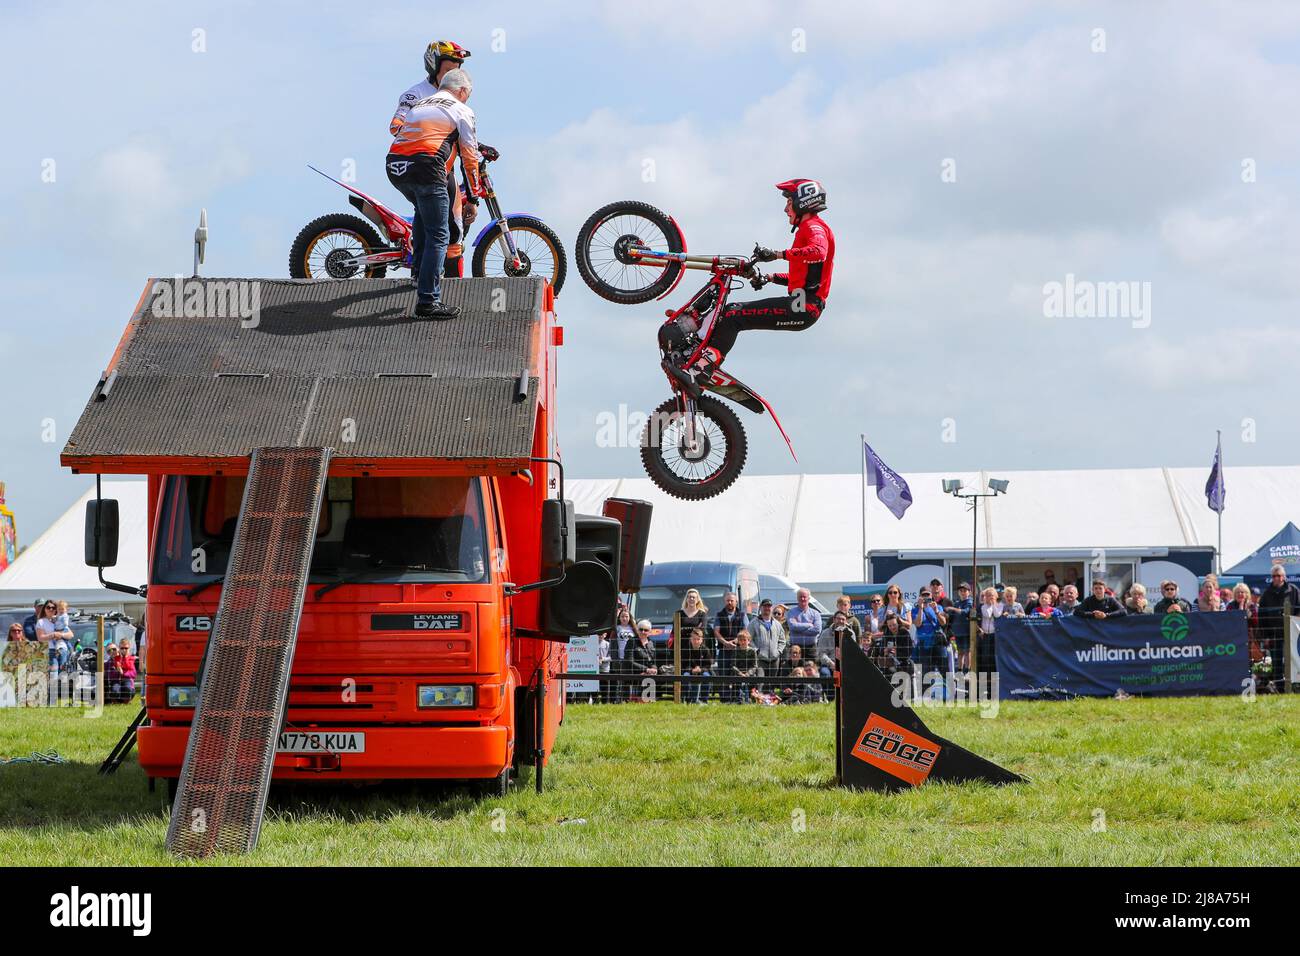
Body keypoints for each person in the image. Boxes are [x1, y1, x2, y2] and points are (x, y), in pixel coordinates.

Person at [687, 179, 834, 385]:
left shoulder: (813, 227)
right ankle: (703, 358)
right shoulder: (810, 228)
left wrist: (777, 254)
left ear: (803, 202)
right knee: (730, 313)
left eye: (789, 202)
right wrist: (770, 278)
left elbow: (818, 252)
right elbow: (804, 277)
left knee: (733, 315)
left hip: (803, 305)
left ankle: (703, 368)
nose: (785, 209)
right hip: (803, 302)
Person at [386, 68, 483, 319]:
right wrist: (473, 197)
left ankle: (419, 274)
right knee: (439, 234)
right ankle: (428, 302)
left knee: (422, 210)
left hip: (395, 167)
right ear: (461, 91)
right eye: (468, 95)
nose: (467, 99)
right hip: (426, 168)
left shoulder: (419, 105)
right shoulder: (463, 110)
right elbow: (470, 158)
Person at [1256, 565, 1298, 689]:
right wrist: (1265, 637)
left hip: (1292, 634)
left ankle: (1294, 686)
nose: (1276, 578)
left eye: (1278, 575)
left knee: (1293, 661)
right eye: (1274, 576)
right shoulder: (1266, 594)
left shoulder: (1294, 590)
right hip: (1274, 635)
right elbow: (1261, 617)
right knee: (1277, 663)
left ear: (1284, 577)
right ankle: (1279, 688)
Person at [713, 591, 748, 703]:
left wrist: (734, 641)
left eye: (731, 600)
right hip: (723, 650)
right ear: (724, 601)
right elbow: (716, 631)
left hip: (738, 650)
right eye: (727, 600)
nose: (729, 602)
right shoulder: (719, 614)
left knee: (738, 674)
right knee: (723, 674)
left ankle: (737, 698)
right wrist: (725, 643)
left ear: (736, 601)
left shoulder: (742, 615)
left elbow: (745, 631)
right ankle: (725, 699)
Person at [910, 587, 949, 680]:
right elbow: (918, 624)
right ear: (920, 596)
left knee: (944, 670)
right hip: (924, 644)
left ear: (931, 595)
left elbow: (943, 623)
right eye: (924, 595)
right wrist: (920, 608)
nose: (926, 597)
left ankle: (949, 692)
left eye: (928, 595)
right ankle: (927, 693)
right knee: (926, 672)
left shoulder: (938, 607)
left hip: (938, 643)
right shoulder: (915, 609)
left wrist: (936, 611)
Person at [749, 599, 787, 686]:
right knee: (760, 683)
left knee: (771, 684)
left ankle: (770, 699)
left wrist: (778, 651)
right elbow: (749, 639)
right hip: (760, 659)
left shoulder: (777, 624)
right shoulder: (753, 623)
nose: (767, 608)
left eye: (769, 606)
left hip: (774, 659)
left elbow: (782, 641)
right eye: (765, 606)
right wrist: (756, 651)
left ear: (771, 608)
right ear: (760, 607)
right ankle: (759, 699)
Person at [681, 628, 714, 704]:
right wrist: (691, 670)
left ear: (701, 640)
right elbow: (684, 664)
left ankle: (704, 700)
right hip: (689, 671)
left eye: (698, 639)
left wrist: (701, 669)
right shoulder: (685, 650)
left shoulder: (706, 650)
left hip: (702, 671)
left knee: (706, 676)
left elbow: (708, 665)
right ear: (690, 639)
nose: (696, 641)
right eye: (694, 639)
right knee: (685, 676)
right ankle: (686, 700)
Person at [627, 620, 659, 690]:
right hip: (634, 672)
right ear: (637, 630)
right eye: (641, 629)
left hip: (649, 672)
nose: (643, 632)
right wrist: (645, 669)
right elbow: (629, 661)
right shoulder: (631, 642)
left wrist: (654, 669)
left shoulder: (651, 643)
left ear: (650, 632)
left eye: (646, 630)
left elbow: (653, 660)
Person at [732, 631, 761, 702]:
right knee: (736, 682)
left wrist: (747, 674)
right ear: (738, 641)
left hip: (750, 672)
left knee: (754, 680)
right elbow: (733, 665)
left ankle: (752, 698)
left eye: (744, 640)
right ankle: (739, 699)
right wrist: (740, 673)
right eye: (740, 640)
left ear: (749, 641)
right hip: (738, 672)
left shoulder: (752, 651)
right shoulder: (735, 650)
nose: (743, 642)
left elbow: (755, 666)